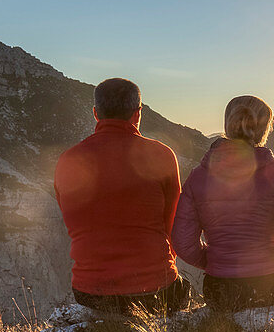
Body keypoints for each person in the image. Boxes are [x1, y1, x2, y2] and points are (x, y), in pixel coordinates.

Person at [54, 77, 190, 316]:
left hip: (89, 292)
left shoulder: (68, 160)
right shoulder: (162, 155)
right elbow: (174, 227)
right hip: (154, 289)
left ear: (96, 113)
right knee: (183, 289)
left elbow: (73, 222)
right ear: (137, 114)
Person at [172, 95, 274, 313]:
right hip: (270, 285)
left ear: (228, 125)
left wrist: (214, 261)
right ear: (264, 130)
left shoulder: (197, 177)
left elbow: (183, 243)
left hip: (219, 288)